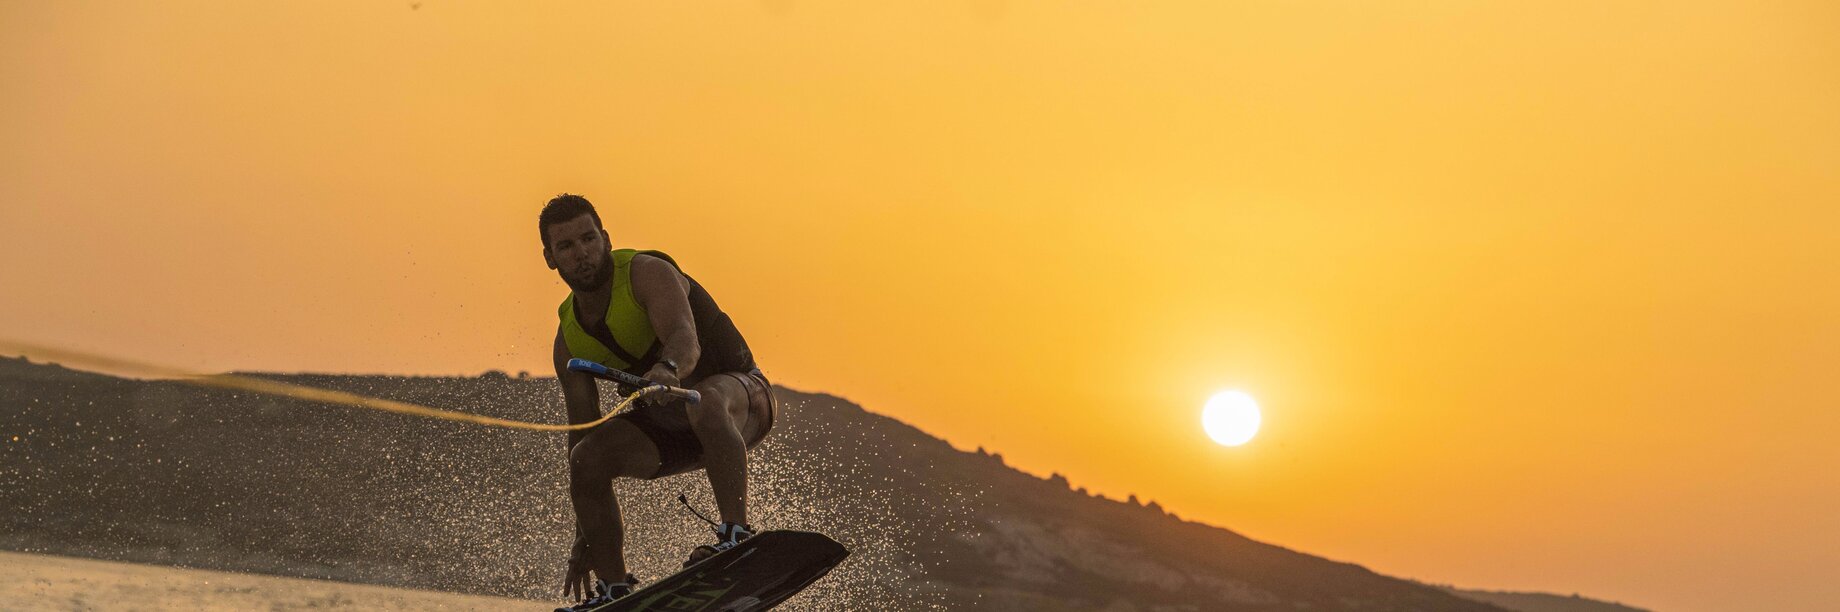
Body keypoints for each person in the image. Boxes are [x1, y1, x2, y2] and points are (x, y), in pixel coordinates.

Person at [539, 194, 777, 611]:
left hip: (743, 403)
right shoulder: (569, 340)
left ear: (606, 238)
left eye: (589, 238)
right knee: (585, 458)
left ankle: (736, 535)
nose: (582, 254)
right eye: (567, 246)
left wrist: (668, 368)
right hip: (672, 429)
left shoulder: (648, 274)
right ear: (550, 259)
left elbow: (685, 339)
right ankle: (614, 590)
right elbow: (583, 431)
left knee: (704, 400)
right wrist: (584, 531)